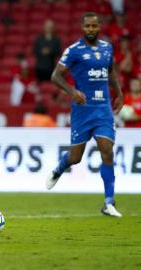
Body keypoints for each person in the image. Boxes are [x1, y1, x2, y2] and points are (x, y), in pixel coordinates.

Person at [46, 12, 124, 217]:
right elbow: (55, 75)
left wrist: (120, 94)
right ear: (82, 27)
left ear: (99, 27)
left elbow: (111, 72)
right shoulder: (74, 51)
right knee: (75, 158)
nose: (91, 29)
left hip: (103, 109)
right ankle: (59, 168)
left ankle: (109, 202)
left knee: (107, 150)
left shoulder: (108, 48)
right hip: (82, 111)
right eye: (87, 26)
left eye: (94, 26)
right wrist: (72, 92)